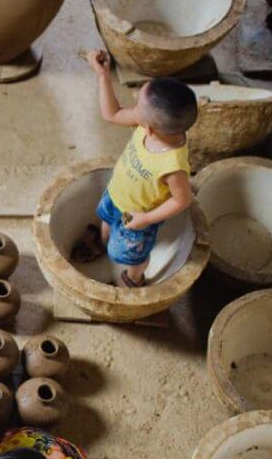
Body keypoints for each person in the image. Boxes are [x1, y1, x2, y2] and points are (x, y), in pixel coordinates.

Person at [78, 50, 196, 288]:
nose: (133, 103)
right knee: (106, 220)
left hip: (137, 217)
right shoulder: (155, 126)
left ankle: (135, 278)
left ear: (149, 128)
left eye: (137, 104)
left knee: (133, 255)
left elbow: (182, 200)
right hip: (116, 195)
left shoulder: (172, 165)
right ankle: (101, 243)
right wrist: (103, 75)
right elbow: (111, 113)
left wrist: (147, 218)